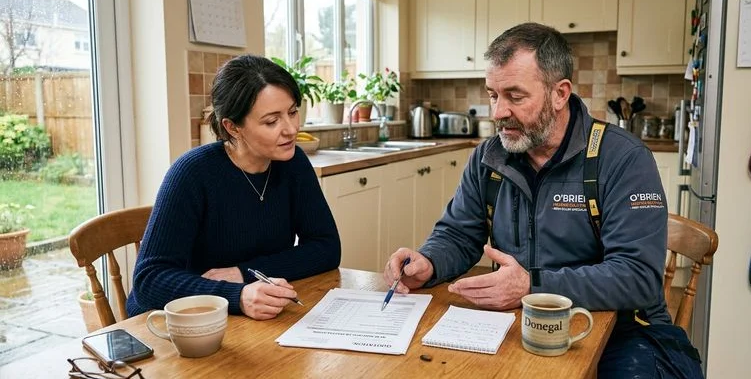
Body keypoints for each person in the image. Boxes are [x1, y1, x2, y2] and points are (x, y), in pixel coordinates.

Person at [383, 23, 702, 378]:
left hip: (621, 331)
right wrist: (429, 262)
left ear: (559, 94)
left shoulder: (622, 159)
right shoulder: (489, 158)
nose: (497, 112)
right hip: (517, 324)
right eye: (492, 95)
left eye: (515, 96)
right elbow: (458, 235)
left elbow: (638, 277)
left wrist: (531, 286)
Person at [127, 55, 341, 320]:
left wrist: (244, 273)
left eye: (293, 112)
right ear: (232, 127)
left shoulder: (293, 163)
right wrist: (235, 295)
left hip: (244, 320)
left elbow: (327, 248)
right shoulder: (192, 173)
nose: (291, 129)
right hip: (172, 322)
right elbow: (150, 280)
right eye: (272, 121)